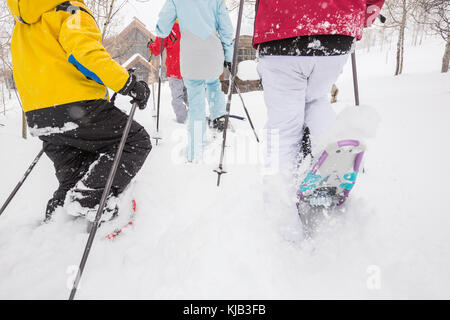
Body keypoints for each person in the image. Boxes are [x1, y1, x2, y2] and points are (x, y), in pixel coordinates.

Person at [7, 0, 152, 223]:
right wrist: (128, 83)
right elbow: (85, 55)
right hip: (77, 107)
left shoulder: (22, 24)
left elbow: (62, 61)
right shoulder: (69, 8)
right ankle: (88, 198)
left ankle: (57, 223)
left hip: (39, 115)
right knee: (135, 140)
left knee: (74, 176)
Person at [253, 0, 386, 241]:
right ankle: (331, 145)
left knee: (283, 132)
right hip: (336, 27)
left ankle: (284, 230)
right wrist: (367, 11)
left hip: (281, 26)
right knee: (314, 99)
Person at [155, 0, 234, 162]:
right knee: (213, 85)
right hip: (212, 53)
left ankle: (194, 149)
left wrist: (161, 31)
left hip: (190, 58)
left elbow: (163, 28)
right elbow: (226, 29)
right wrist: (228, 55)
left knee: (196, 103)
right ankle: (220, 124)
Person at [149, 21, 188, 124]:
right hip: (190, 69)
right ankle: (195, 118)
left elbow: (157, 49)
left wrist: (151, 45)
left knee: (177, 98)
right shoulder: (190, 23)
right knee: (191, 96)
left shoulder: (166, 26)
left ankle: (183, 121)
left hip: (175, 70)